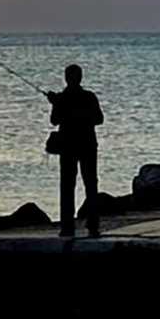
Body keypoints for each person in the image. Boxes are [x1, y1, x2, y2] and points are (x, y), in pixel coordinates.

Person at [48, 62, 105, 238]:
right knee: (90, 184)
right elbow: (99, 119)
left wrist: (56, 103)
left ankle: (67, 225)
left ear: (66, 78)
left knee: (67, 185)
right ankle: (93, 223)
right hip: (87, 144)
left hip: (68, 146)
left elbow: (54, 120)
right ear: (80, 78)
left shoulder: (62, 98)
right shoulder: (89, 96)